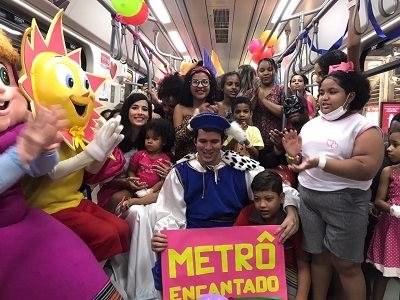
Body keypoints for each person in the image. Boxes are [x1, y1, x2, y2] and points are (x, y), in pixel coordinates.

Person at [0, 28, 122, 299]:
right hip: (24, 221)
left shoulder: (26, 128)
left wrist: (45, 148)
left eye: (2, 75)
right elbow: (49, 175)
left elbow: (42, 168)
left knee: (86, 251)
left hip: (26, 219)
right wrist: (25, 151)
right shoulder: (23, 136)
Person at [151, 112, 301, 291]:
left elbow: (280, 189)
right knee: (166, 268)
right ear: (194, 142)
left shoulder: (242, 167)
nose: (208, 147)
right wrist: (164, 236)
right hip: (194, 238)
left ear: (222, 141)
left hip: (236, 240)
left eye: (214, 141)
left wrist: (291, 211)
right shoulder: (180, 172)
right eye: (202, 141)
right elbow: (169, 213)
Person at [282, 62, 384, 300]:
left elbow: (365, 168)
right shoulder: (311, 125)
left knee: (346, 264)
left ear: (350, 96)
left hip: (345, 200)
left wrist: (321, 162)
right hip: (309, 197)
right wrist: (292, 154)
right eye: (321, 92)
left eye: (332, 92)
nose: (323, 98)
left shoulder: (365, 128)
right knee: (318, 256)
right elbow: (300, 162)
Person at [92, 91, 170, 300]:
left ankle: (143, 272)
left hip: (142, 190)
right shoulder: (116, 137)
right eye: (135, 107)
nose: (140, 112)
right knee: (135, 212)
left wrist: (165, 174)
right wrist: (125, 181)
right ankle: (119, 261)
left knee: (149, 214)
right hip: (114, 188)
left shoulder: (150, 138)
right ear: (127, 110)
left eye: (145, 108)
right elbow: (99, 177)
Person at [234, 170, 311, 300]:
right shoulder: (247, 215)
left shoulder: (292, 223)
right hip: (252, 272)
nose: (262, 205)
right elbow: (231, 251)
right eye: (257, 199)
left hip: (287, 272)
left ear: (281, 198)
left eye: (269, 199)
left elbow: (304, 267)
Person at [366, 127, 400, 300]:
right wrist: (393, 209)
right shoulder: (389, 171)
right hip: (391, 230)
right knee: (383, 272)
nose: (389, 148)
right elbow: (379, 200)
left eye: (395, 145)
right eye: (389, 144)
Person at [119, 118, 175, 210]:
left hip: (153, 191)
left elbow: (162, 181)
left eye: (155, 139)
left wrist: (150, 190)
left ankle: (134, 202)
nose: (149, 141)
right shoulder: (139, 154)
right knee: (115, 197)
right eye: (147, 137)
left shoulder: (166, 160)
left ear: (164, 141)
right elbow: (131, 171)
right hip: (136, 188)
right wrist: (135, 182)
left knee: (158, 195)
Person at [173, 66, 219, 160]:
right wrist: (197, 116)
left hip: (210, 160)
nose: (200, 86)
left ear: (210, 84)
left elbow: (222, 139)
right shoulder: (180, 108)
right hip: (184, 161)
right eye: (195, 82)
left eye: (205, 82)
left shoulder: (217, 107)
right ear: (188, 86)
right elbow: (177, 139)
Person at [244, 57, 284, 146]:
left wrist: (262, 99)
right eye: (262, 70)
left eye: (269, 70)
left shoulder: (282, 90)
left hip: (276, 143)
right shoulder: (250, 92)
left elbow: (284, 112)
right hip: (254, 143)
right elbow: (246, 112)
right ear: (257, 73)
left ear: (275, 72)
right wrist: (255, 94)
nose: (266, 73)